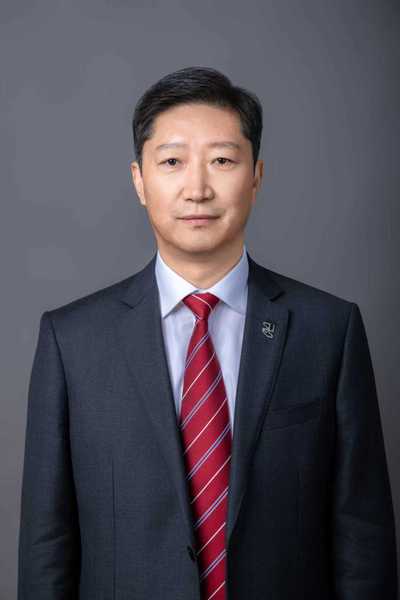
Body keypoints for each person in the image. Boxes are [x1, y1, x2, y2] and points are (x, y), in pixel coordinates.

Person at [17, 66, 398, 599]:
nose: (197, 189)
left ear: (256, 176)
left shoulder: (328, 330)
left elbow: (363, 539)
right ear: (139, 180)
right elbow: (46, 546)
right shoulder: (72, 341)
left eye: (222, 161)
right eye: (172, 162)